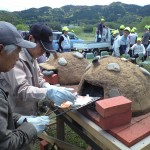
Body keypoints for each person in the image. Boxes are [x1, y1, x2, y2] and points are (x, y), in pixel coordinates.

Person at [0, 22, 76, 115]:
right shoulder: (13, 58)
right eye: (42, 48)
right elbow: (21, 90)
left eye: (46, 49)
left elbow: (39, 78)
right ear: (31, 38)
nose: (44, 52)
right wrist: (47, 93)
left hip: (30, 112)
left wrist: (47, 86)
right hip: (17, 115)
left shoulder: (32, 57)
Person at [0, 21, 50, 150]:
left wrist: (22, 120)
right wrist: (29, 127)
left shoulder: (32, 58)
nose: (18, 57)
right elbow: (5, 144)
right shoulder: (14, 63)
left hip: (17, 119)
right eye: (17, 51)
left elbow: (39, 78)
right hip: (14, 129)